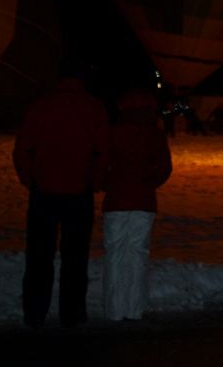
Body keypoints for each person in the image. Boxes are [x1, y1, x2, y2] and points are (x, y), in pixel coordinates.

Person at [12, 60, 110, 329]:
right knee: (75, 256)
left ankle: (35, 312)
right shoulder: (93, 108)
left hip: (44, 191)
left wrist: (31, 179)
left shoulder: (41, 106)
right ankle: (72, 311)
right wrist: (95, 180)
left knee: (39, 255)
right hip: (79, 191)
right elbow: (103, 151)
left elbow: (22, 149)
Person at [101, 88, 171, 322]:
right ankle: (134, 309)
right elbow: (165, 168)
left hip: (116, 200)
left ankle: (114, 309)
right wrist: (147, 184)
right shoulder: (155, 135)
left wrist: (107, 183)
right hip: (144, 201)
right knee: (138, 254)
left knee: (115, 254)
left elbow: (100, 163)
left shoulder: (113, 132)